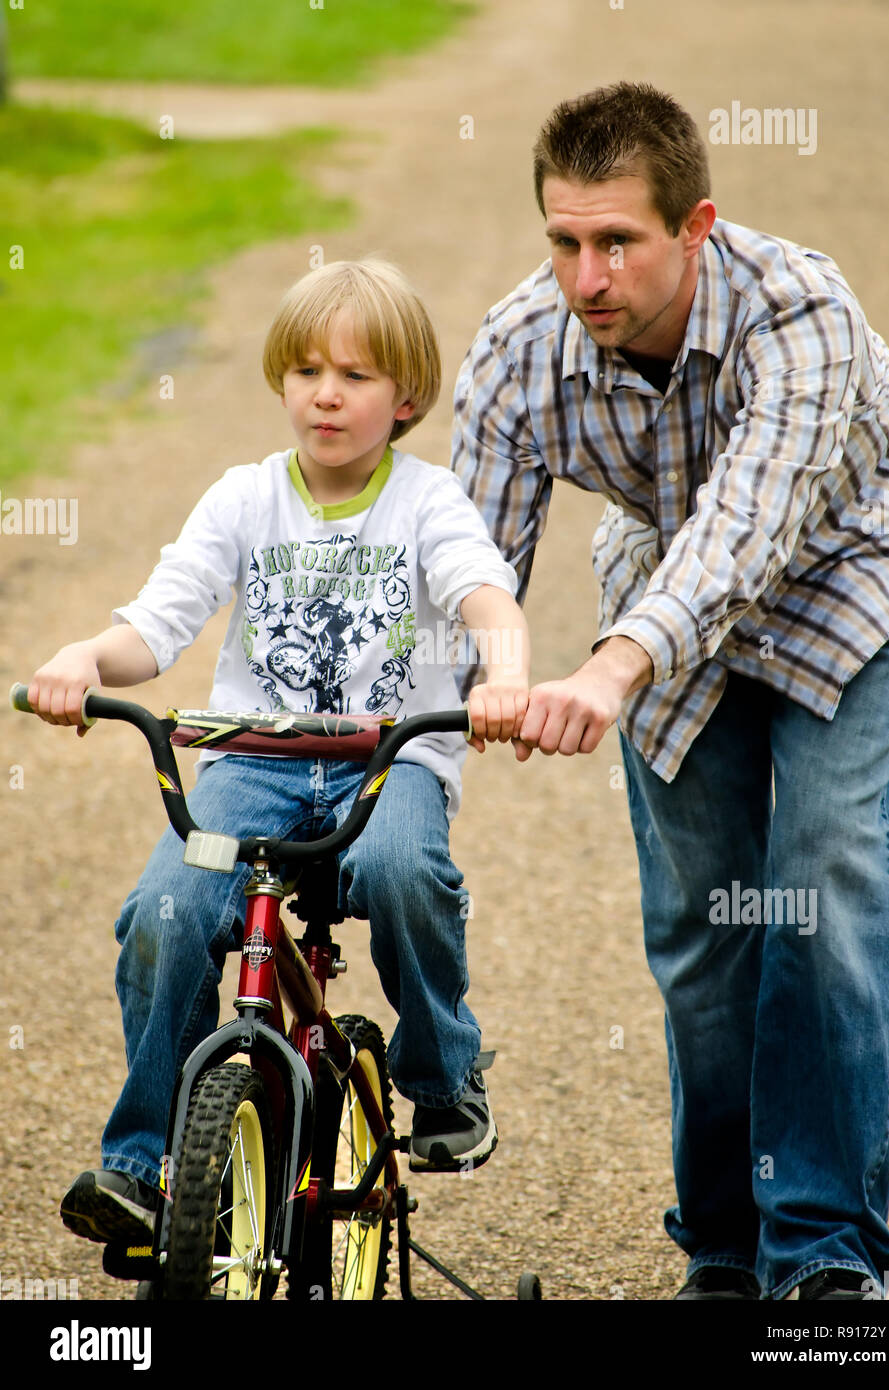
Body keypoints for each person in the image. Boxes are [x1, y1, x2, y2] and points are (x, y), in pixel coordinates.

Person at [451, 81, 889, 1301]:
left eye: (619, 241)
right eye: (564, 242)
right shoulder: (519, 351)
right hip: (667, 585)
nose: (587, 276)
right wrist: (448, 707)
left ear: (697, 226)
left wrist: (612, 665)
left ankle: (822, 1255)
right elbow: (468, 574)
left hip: (848, 571)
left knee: (823, 883)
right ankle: (725, 1248)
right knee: (707, 933)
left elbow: (748, 532)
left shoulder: (799, 309)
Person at [28, 258, 530, 1246]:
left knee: (402, 868)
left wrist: (504, 675)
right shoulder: (245, 498)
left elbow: (485, 597)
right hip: (251, 765)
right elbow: (156, 625)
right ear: (281, 382)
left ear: (408, 396)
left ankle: (440, 1076)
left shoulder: (428, 502)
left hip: (387, 762)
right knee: (166, 909)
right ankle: (144, 1164)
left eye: (355, 375)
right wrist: (85, 655)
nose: (326, 394)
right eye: (305, 371)